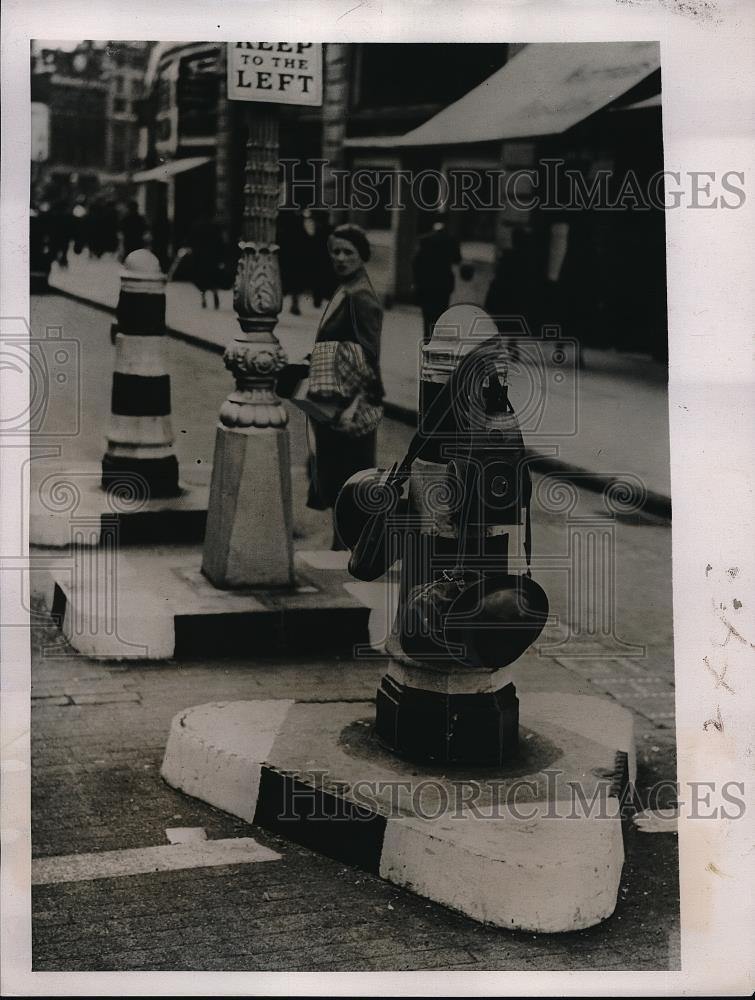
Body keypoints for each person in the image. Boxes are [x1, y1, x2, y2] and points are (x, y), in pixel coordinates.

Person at [305, 224, 385, 550]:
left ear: (361, 255)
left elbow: (368, 352)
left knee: (350, 478)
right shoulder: (346, 288)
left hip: (349, 401)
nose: (340, 258)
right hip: (335, 397)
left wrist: (352, 402)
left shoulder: (362, 297)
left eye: (348, 252)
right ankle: (345, 545)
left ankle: (354, 548)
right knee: (337, 475)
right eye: (335, 251)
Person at [412, 215, 461, 343]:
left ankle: (427, 339)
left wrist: (416, 281)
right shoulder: (451, 241)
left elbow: (416, 263)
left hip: (426, 284)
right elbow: (457, 259)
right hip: (443, 284)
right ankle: (436, 339)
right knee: (440, 313)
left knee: (427, 314)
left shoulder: (424, 240)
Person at [187, 217, 225, 309]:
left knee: (202, 279)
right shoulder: (215, 227)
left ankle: (203, 298)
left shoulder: (197, 226)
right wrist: (221, 259)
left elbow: (192, 241)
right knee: (213, 278)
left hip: (200, 256)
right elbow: (220, 243)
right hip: (212, 256)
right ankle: (215, 294)